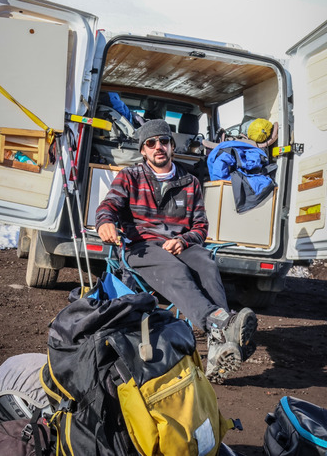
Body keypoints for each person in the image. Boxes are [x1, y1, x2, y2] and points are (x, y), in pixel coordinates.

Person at [96, 119, 257, 383]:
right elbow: (108, 206)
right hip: (142, 247)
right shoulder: (130, 176)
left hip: (181, 245)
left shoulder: (190, 181)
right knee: (175, 269)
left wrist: (184, 240)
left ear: (172, 146)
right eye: (151, 143)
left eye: (163, 141)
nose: (158, 147)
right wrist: (105, 223)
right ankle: (220, 323)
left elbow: (201, 227)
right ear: (144, 150)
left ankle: (219, 349)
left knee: (205, 262)